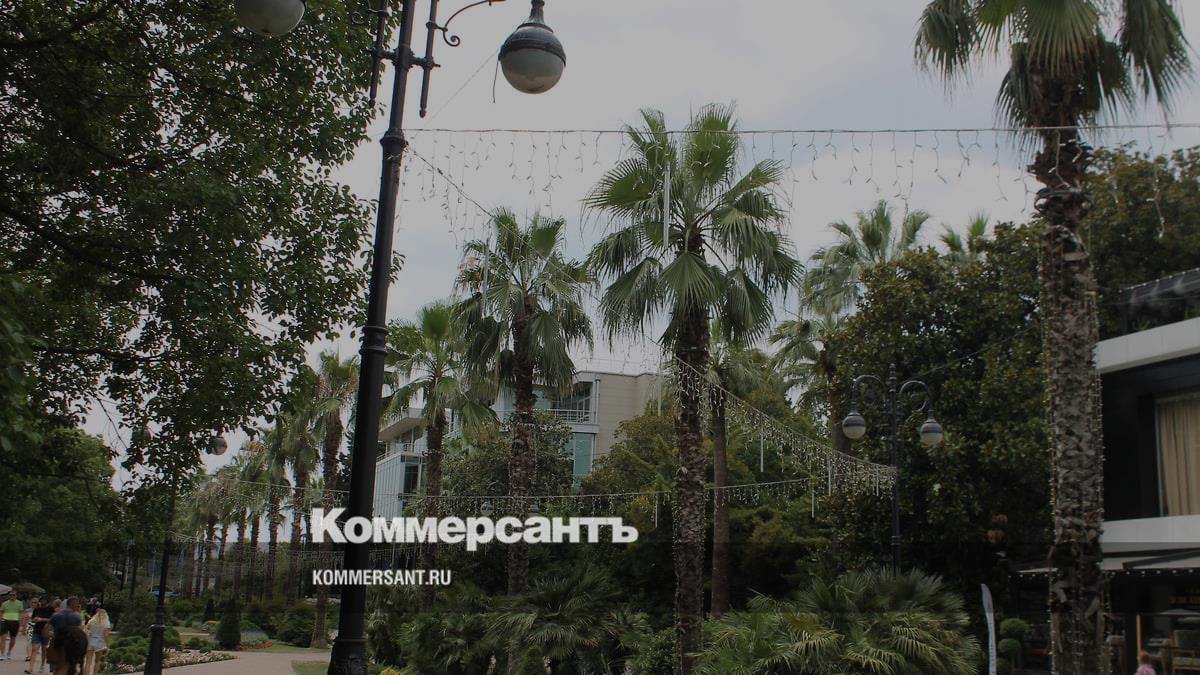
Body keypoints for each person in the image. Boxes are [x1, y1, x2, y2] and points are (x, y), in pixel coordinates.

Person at [45, 598, 82, 675]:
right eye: (77, 605)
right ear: (73, 605)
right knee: (70, 668)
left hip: (56, 645)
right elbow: (80, 634)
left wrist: (54, 635)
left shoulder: (56, 615)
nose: (78, 607)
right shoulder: (76, 617)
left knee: (57, 669)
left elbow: (45, 632)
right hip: (71, 647)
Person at [27, 596, 53, 675]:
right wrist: (34, 619)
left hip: (46, 631)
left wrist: (42, 619)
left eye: (44, 600)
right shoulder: (37, 609)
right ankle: (30, 668)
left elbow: (52, 619)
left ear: (47, 601)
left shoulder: (50, 609)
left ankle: (42, 665)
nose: (42, 602)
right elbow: (32, 619)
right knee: (34, 649)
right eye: (41, 600)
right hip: (37, 631)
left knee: (44, 649)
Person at [81, 609, 108, 675]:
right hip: (99, 642)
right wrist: (107, 646)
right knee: (97, 661)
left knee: (88, 662)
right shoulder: (106, 623)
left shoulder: (91, 621)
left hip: (91, 640)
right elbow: (105, 635)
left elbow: (85, 630)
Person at [1, 591, 22, 660]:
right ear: (8, 596)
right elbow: (1, 612)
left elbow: (20, 613)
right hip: (5, 621)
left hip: (15, 622)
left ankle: (9, 652)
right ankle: (2, 654)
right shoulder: (4, 603)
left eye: (13, 595)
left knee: (13, 638)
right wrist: (1, 620)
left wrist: (20, 624)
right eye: (10, 595)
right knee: (3, 637)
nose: (12, 596)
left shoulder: (19, 603)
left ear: (16, 596)